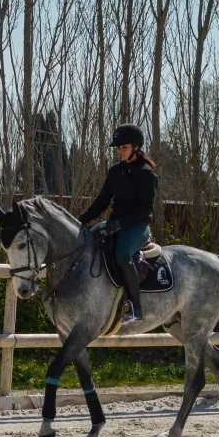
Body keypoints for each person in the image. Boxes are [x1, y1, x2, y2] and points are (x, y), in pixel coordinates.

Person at [77, 123, 158, 324]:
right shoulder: (115, 171)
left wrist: (120, 224)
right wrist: (81, 221)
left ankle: (136, 307)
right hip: (114, 223)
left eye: (124, 147)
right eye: (118, 148)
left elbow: (144, 211)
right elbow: (102, 201)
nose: (120, 152)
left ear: (136, 147)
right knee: (88, 241)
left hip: (137, 226)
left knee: (122, 254)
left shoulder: (147, 174)